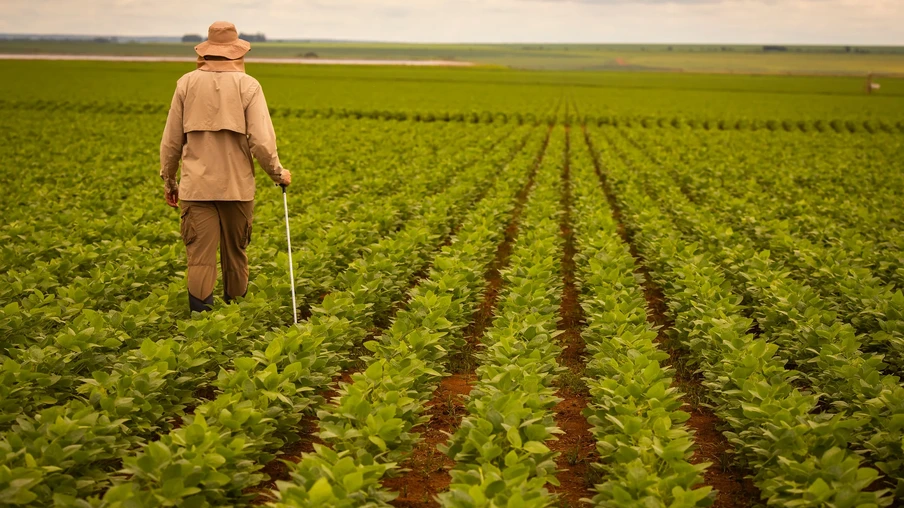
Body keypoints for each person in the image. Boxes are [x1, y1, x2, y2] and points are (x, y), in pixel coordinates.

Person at [160, 21, 292, 313]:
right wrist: (278, 174)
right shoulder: (249, 85)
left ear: (206, 51)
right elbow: (262, 141)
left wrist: (169, 181)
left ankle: (201, 323)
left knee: (199, 259)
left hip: (196, 188)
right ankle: (236, 319)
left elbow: (170, 141)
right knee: (236, 254)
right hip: (237, 188)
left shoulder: (186, 84)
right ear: (237, 52)